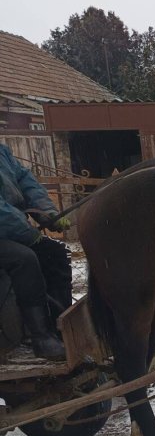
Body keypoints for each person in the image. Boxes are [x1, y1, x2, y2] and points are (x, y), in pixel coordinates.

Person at [0, 144, 72, 359]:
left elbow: (24, 180)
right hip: (7, 228)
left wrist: (46, 212)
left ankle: (61, 329)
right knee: (24, 259)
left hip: (7, 229)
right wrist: (27, 234)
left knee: (54, 253)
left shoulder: (2, 152)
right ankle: (40, 337)